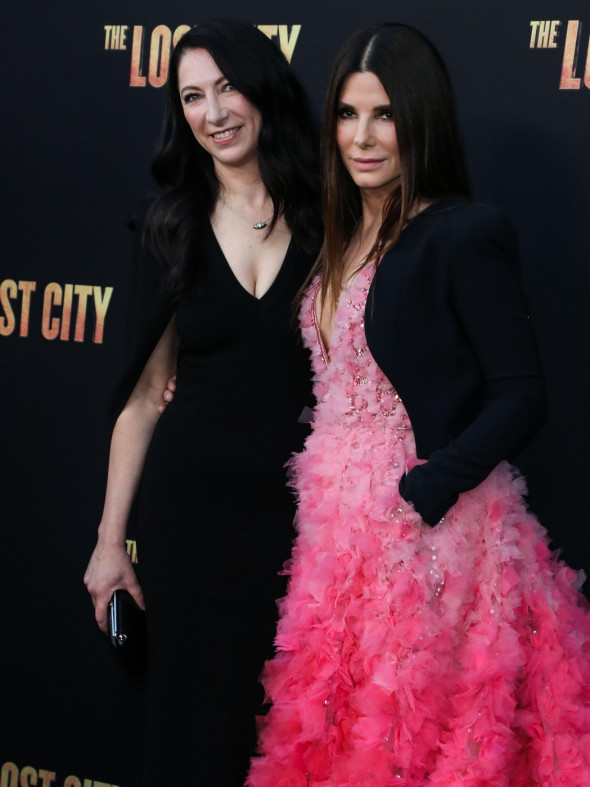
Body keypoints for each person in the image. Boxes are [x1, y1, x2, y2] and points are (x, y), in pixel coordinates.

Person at [247, 23, 590, 786]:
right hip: (335, 527)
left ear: (421, 119)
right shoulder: (334, 233)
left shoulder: (464, 233)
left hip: (430, 531)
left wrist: (429, 485)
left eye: (385, 115)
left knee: (411, 739)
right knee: (333, 725)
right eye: (346, 113)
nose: (362, 137)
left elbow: (521, 394)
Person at [83, 19, 321, 786]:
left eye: (227, 87)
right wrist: (110, 541)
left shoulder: (329, 217)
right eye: (192, 96)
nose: (213, 111)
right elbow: (147, 395)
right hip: (190, 518)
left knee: (293, 723)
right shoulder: (168, 225)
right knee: (191, 724)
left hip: (305, 520)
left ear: (262, 89)